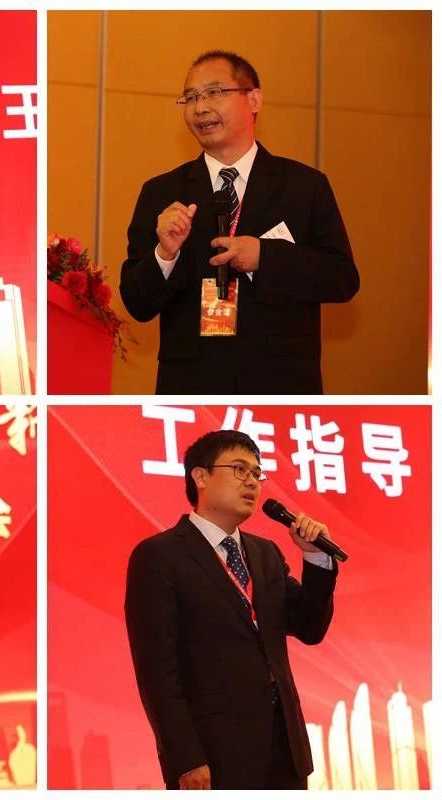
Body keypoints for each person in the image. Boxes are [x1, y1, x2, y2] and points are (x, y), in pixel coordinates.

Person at [119, 51, 359, 394]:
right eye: (190, 98)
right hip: (191, 386)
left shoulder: (305, 186)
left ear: (254, 100)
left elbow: (342, 279)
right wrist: (164, 255)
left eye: (214, 93)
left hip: (280, 384)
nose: (200, 108)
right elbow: (136, 303)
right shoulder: (162, 192)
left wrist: (266, 257)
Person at [125, 430, 338, 789]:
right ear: (201, 476)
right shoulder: (159, 556)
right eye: (239, 469)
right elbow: (157, 672)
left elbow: (309, 627)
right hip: (214, 755)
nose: (252, 482)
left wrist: (316, 558)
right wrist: (185, 758)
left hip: (285, 751)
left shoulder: (265, 553)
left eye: (257, 473)